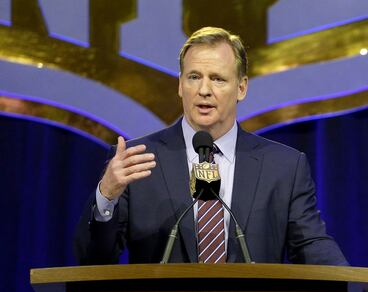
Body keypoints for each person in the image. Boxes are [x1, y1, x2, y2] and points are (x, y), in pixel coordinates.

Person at [73, 27, 348, 267]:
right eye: (194, 77)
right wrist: (106, 196)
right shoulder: (137, 161)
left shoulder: (284, 167)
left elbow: (309, 243)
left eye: (217, 78)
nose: (204, 89)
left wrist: (348, 279)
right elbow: (93, 260)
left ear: (241, 88)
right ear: (180, 85)